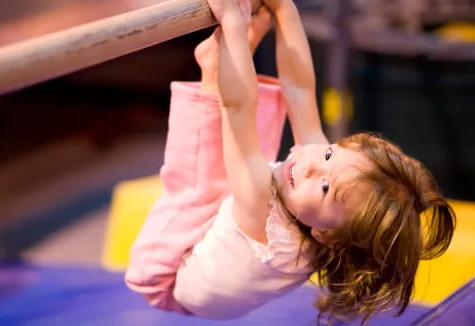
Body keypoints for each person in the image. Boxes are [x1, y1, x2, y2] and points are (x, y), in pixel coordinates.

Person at [125, 0, 456, 323]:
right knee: (261, 159)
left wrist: (234, 23)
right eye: (329, 153)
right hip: (222, 259)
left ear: (325, 235)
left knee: (208, 178)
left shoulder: (264, 219)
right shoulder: (324, 204)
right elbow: (299, 88)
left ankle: (218, 68)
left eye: (326, 187)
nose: (313, 166)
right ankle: (218, 64)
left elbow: (237, 108)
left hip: (167, 275)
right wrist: (285, 9)